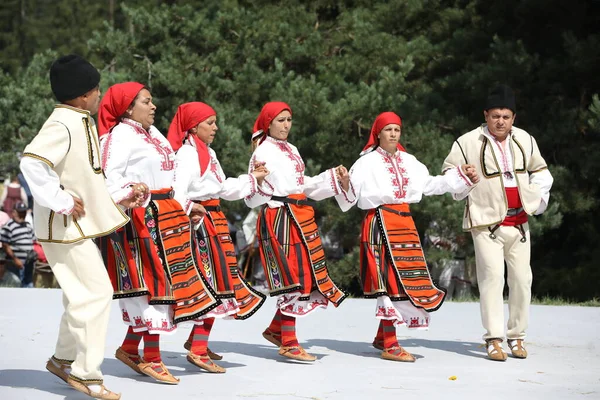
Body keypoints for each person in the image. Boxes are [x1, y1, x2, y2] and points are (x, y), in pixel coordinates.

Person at [19, 54, 132, 400]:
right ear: (84, 94)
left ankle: (63, 359)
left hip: (72, 227)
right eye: (96, 89)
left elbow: (87, 178)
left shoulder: (78, 120)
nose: (99, 95)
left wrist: (122, 197)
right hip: (62, 226)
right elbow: (32, 163)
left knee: (80, 295)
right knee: (96, 293)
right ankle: (85, 373)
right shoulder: (63, 123)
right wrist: (61, 200)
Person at [97, 83, 220, 384]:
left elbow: (171, 177)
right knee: (155, 285)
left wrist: (187, 204)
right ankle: (152, 357)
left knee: (168, 282)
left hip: (167, 214)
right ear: (128, 107)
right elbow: (109, 178)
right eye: (146, 102)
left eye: (152, 102)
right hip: (142, 217)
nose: (154, 107)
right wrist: (131, 191)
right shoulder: (120, 136)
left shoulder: (154, 134)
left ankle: (130, 349)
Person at [334, 111, 478, 362]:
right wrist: (345, 183)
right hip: (379, 223)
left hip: (404, 224)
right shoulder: (365, 163)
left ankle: (383, 336)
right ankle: (390, 343)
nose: (392, 134)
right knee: (390, 282)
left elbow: (431, 184)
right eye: (388, 130)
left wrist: (460, 177)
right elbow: (351, 198)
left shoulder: (410, 161)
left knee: (407, 280)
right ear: (377, 133)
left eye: (397, 130)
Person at [442, 85, 554, 361]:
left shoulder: (525, 139)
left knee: (522, 280)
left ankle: (517, 337)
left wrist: (537, 198)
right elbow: (447, 174)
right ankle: (494, 338)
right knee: (492, 279)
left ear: (513, 117)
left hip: (519, 222)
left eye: (505, 116)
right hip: (486, 222)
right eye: (495, 116)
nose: (500, 121)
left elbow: (541, 171)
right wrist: (463, 174)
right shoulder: (466, 142)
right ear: (486, 115)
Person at [169, 102, 268, 373]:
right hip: (201, 224)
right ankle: (198, 349)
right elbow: (176, 192)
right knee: (211, 283)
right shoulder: (188, 155)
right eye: (210, 123)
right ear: (193, 126)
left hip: (214, 220)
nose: (215, 128)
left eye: (215, 122)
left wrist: (253, 178)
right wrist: (190, 208)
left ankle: (197, 341)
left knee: (221, 280)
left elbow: (222, 187)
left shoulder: (207, 152)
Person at [244, 101, 347, 362]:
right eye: (280, 120)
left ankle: (277, 329)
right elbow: (254, 195)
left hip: (300, 216)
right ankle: (289, 342)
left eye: (289, 120)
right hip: (280, 217)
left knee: (306, 274)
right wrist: (257, 183)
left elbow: (302, 185)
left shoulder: (292, 149)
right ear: (268, 123)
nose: (286, 125)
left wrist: (333, 178)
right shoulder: (262, 152)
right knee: (292, 277)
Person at [0, 202, 36, 287]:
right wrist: (15, 259)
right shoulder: (9, 226)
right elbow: (5, 245)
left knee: (29, 285)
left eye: (23, 212)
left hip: (28, 263)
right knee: (17, 284)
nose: (22, 215)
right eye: (20, 212)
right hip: (14, 263)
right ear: (14, 212)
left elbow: (33, 240)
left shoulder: (28, 225)